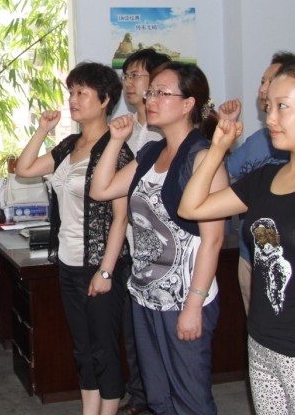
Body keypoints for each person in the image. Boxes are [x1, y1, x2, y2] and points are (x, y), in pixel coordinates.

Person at [179, 59, 295, 415]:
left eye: (283, 106)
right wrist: (217, 148)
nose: (270, 118)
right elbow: (191, 208)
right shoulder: (265, 178)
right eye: (269, 107)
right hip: (262, 344)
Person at [91, 62, 228, 415]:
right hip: (145, 296)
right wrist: (115, 141)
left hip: (184, 298)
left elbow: (213, 241)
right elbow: (101, 189)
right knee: (158, 398)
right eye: (150, 92)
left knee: (190, 399)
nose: (150, 99)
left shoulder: (203, 158)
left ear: (188, 104)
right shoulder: (152, 153)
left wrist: (193, 306)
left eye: (162, 93)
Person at [14, 62, 133, 415]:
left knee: (104, 348)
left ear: (105, 99)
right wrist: (42, 130)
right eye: (71, 92)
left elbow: (121, 217)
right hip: (68, 261)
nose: (73, 99)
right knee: (82, 347)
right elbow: (24, 169)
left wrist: (106, 271)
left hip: (101, 264)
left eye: (82, 92)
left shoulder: (117, 148)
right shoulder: (69, 144)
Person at [219, 50, 295, 314]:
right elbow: (221, 181)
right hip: (250, 255)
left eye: (271, 82)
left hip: (289, 260)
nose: (263, 90)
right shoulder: (257, 141)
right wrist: (223, 138)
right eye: (262, 82)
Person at [119, 47, 171, 415]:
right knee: (133, 334)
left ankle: (154, 401)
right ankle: (140, 398)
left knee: (158, 337)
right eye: (126, 76)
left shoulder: (161, 135)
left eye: (136, 75)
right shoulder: (128, 130)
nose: (129, 83)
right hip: (127, 247)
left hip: (158, 253)